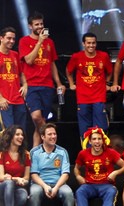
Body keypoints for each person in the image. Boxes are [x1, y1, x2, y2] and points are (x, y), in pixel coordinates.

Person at [19, 12, 65, 147]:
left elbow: (52, 64)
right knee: (36, 117)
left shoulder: (50, 42)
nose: (40, 26)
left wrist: (59, 83)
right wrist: (39, 41)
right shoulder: (24, 41)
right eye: (36, 24)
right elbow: (29, 60)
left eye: (41, 24)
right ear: (30, 26)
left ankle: (35, 153)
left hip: (47, 85)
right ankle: (51, 138)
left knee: (39, 123)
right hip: (32, 85)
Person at [66, 32, 113, 141]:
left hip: (99, 97)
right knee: (84, 129)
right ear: (83, 44)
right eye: (88, 43)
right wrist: (71, 84)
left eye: (93, 43)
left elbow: (110, 71)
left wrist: (107, 83)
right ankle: (86, 153)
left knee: (100, 128)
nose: (91, 45)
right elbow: (68, 71)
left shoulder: (103, 56)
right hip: (83, 98)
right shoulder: (77, 57)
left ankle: (101, 153)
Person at [74, 127, 124, 206]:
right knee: (80, 191)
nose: (97, 141)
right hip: (89, 185)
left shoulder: (111, 152)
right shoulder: (83, 153)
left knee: (111, 191)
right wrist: (78, 176)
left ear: (103, 140)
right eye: (94, 139)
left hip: (107, 185)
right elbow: (76, 168)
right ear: (90, 141)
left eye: (99, 139)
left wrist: (115, 173)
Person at [29, 123, 74, 206]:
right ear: (43, 137)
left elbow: (65, 174)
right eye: (50, 134)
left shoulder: (62, 151)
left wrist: (56, 188)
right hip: (39, 184)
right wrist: (45, 186)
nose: (53, 136)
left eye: (54, 134)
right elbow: (34, 174)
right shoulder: (34, 152)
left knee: (68, 193)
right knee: (34, 193)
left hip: (59, 184)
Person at [0, 27, 27, 131]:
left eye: (13, 39)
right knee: (8, 133)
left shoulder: (15, 55)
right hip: (5, 101)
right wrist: (0, 98)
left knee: (21, 132)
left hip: (18, 100)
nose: (11, 41)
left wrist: (25, 85)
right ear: (1, 38)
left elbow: (21, 73)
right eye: (9, 38)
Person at [0, 125, 30, 206]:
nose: (21, 137)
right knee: (9, 183)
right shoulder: (2, 154)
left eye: (22, 135)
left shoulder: (26, 154)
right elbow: (1, 177)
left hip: (18, 187)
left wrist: (22, 181)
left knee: (23, 195)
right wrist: (16, 179)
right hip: (3, 186)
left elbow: (26, 177)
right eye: (17, 134)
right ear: (10, 137)